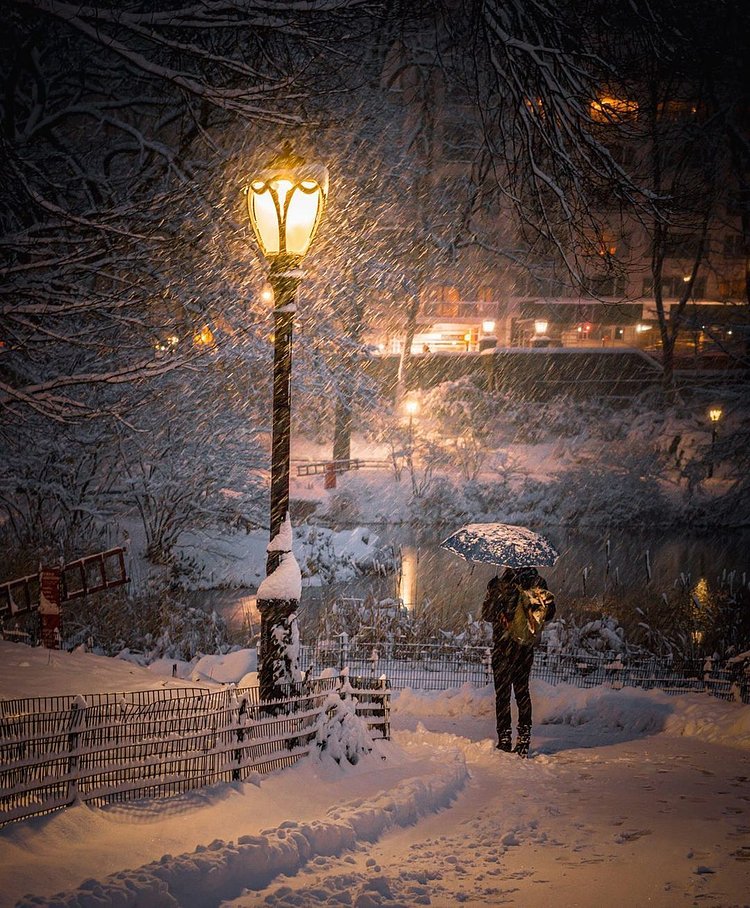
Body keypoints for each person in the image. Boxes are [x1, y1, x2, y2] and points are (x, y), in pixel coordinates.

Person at [482, 565, 555, 757]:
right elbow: (550, 613)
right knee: (522, 693)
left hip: (503, 647)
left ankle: (504, 739)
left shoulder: (499, 584)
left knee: (503, 694)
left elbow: (487, 615)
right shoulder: (538, 583)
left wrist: (499, 600)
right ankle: (524, 739)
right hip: (524, 648)